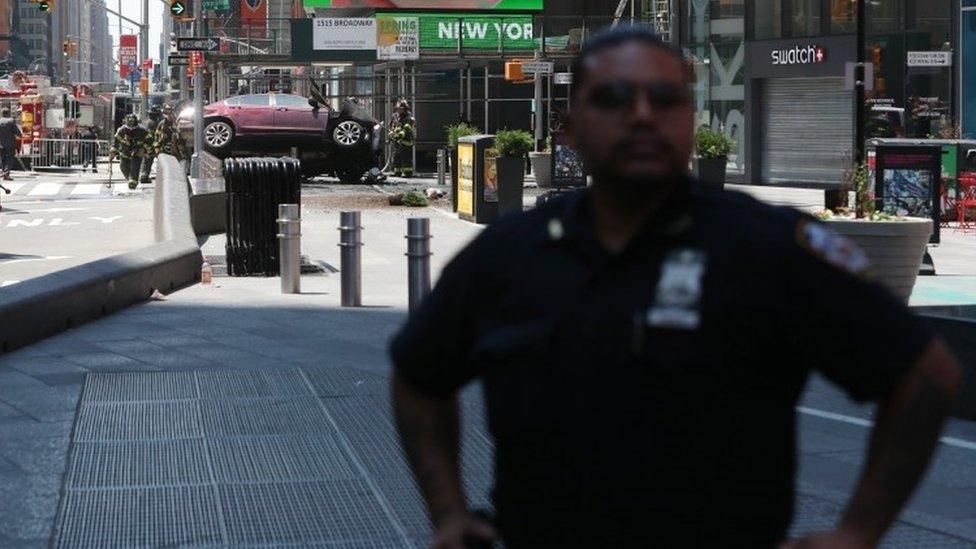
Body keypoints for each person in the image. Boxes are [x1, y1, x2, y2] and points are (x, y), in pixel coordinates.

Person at [390, 26, 962, 549]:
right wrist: (448, 512)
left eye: (664, 99)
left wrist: (859, 531)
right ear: (572, 128)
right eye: (613, 99)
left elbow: (924, 373)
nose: (642, 116)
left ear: (690, 119)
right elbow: (418, 374)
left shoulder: (770, 247)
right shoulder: (509, 254)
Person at [110, 113, 148, 189]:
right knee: (123, 167)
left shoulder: (142, 130)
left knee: (135, 167)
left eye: (133, 127)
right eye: (129, 126)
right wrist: (113, 152)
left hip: (137, 153)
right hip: (124, 153)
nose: (131, 129)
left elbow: (150, 141)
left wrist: (145, 150)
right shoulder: (121, 130)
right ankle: (130, 179)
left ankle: (133, 182)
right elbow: (116, 142)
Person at [389, 99, 415, 178]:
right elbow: (392, 126)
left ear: (404, 109)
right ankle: (397, 172)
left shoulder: (409, 118)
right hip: (397, 141)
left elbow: (406, 130)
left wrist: (399, 135)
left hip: (406, 141)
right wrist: (391, 133)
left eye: (400, 108)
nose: (398, 110)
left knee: (406, 157)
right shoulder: (395, 116)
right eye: (397, 108)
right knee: (396, 156)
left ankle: (407, 173)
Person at [139, 106, 163, 184]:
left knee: (147, 161)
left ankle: (144, 175)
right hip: (154, 145)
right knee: (160, 160)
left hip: (146, 145)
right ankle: (145, 176)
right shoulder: (155, 123)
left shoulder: (145, 122)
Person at [0, 107, 22, 180]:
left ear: (2, 113)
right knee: (11, 158)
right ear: (9, 113)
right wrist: (20, 135)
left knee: (3, 159)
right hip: (10, 144)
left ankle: (5, 174)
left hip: (1, 144)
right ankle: (6, 172)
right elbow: (17, 132)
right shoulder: (11, 121)